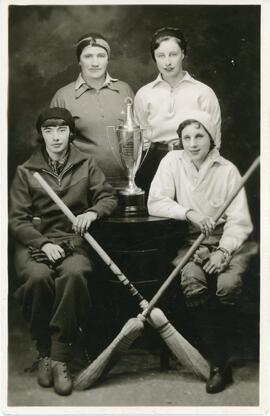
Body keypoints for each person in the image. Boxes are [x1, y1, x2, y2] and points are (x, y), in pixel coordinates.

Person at [9, 107, 118, 396]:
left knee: (75, 273)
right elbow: (16, 219)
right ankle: (43, 351)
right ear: (41, 135)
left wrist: (93, 213)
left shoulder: (86, 164)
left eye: (61, 130)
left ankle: (59, 357)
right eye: (48, 130)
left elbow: (108, 196)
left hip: (72, 240)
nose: (55, 137)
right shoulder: (26, 171)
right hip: (36, 241)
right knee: (36, 277)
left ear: (70, 133)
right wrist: (42, 243)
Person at [148, 110, 258, 393]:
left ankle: (224, 353)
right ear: (180, 140)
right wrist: (189, 213)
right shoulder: (172, 161)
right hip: (193, 242)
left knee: (227, 284)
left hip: (231, 242)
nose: (193, 143)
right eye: (186, 137)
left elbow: (240, 222)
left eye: (199, 136)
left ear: (211, 138)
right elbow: (155, 202)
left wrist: (223, 251)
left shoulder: (228, 169)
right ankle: (219, 362)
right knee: (191, 280)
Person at [134, 27, 221, 195]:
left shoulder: (203, 92)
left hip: (193, 161)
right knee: (156, 216)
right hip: (154, 164)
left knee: (189, 216)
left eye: (173, 55)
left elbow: (215, 141)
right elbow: (141, 140)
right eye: (161, 56)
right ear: (154, 58)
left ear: (183, 53)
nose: (167, 62)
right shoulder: (144, 94)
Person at [50, 33, 134, 189]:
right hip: (82, 185)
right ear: (79, 60)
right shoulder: (63, 96)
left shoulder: (124, 90)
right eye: (88, 56)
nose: (95, 63)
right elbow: (53, 147)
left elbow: (136, 139)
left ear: (108, 59)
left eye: (101, 56)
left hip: (126, 183)